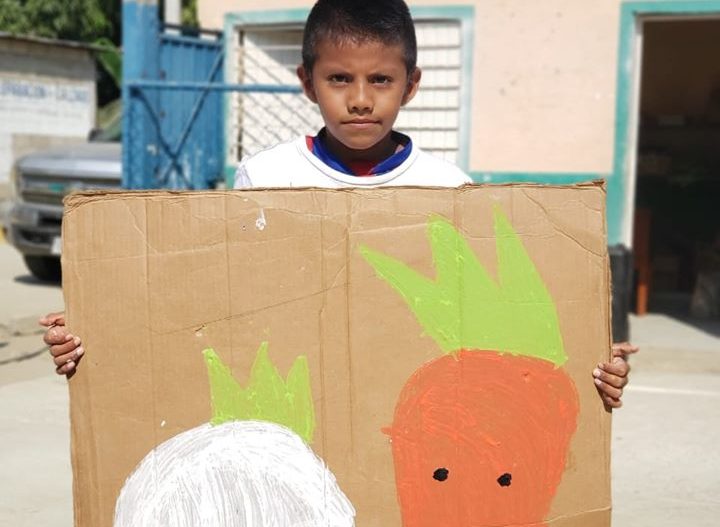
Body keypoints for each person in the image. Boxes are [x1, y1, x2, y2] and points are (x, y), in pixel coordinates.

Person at [40, 0, 637, 407]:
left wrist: (590, 362)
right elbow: (213, 303)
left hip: (400, 414)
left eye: (380, 81)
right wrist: (100, 332)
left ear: (411, 84)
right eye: (339, 79)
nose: (359, 100)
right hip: (304, 410)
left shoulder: (449, 188)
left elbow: (478, 328)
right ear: (306, 82)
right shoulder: (264, 177)